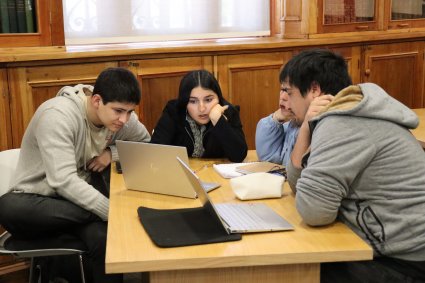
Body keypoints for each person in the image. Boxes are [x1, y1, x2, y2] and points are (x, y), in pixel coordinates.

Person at [282, 49, 425, 282]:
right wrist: (306, 127)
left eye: (289, 92)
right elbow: (298, 185)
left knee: (296, 271)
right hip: (396, 247)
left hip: (407, 259)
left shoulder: (342, 122)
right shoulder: (342, 114)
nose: (286, 101)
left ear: (315, 90)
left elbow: (313, 211)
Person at [0, 67, 151, 283]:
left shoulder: (121, 118)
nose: (124, 120)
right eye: (119, 111)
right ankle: (110, 215)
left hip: (75, 205)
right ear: (97, 100)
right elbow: (62, 180)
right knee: (8, 207)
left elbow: (144, 143)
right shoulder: (58, 115)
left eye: (129, 112)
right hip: (37, 202)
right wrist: (109, 210)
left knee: (104, 239)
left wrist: (111, 153)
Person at [150, 69, 248, 162]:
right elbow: (155, 154)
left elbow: (239, 156)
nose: (202, 108)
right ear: (185, 102)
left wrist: (218, 121)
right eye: (193, 101)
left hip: (215, 176)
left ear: (218, 98)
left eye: (208, 100)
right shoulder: (174, 112)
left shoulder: (228, 111)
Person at [255, 67, 300, 167]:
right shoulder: (291, 124)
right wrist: (275, 119)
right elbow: (268, 160)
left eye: (288, 91)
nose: (282, 97)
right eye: (282, 89)